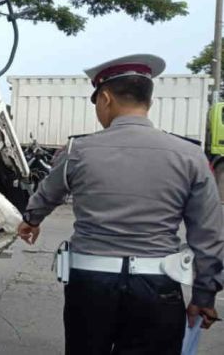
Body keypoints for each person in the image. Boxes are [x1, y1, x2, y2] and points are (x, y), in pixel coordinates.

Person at [17, 54, 224, 355]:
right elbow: (208, 232)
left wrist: (31, 220)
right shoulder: (189, 155)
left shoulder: (78, 151)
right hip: (158, 288)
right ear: (148, 102)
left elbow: (47, 194)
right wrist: (204, 295)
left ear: (105, 98)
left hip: (90, 286)